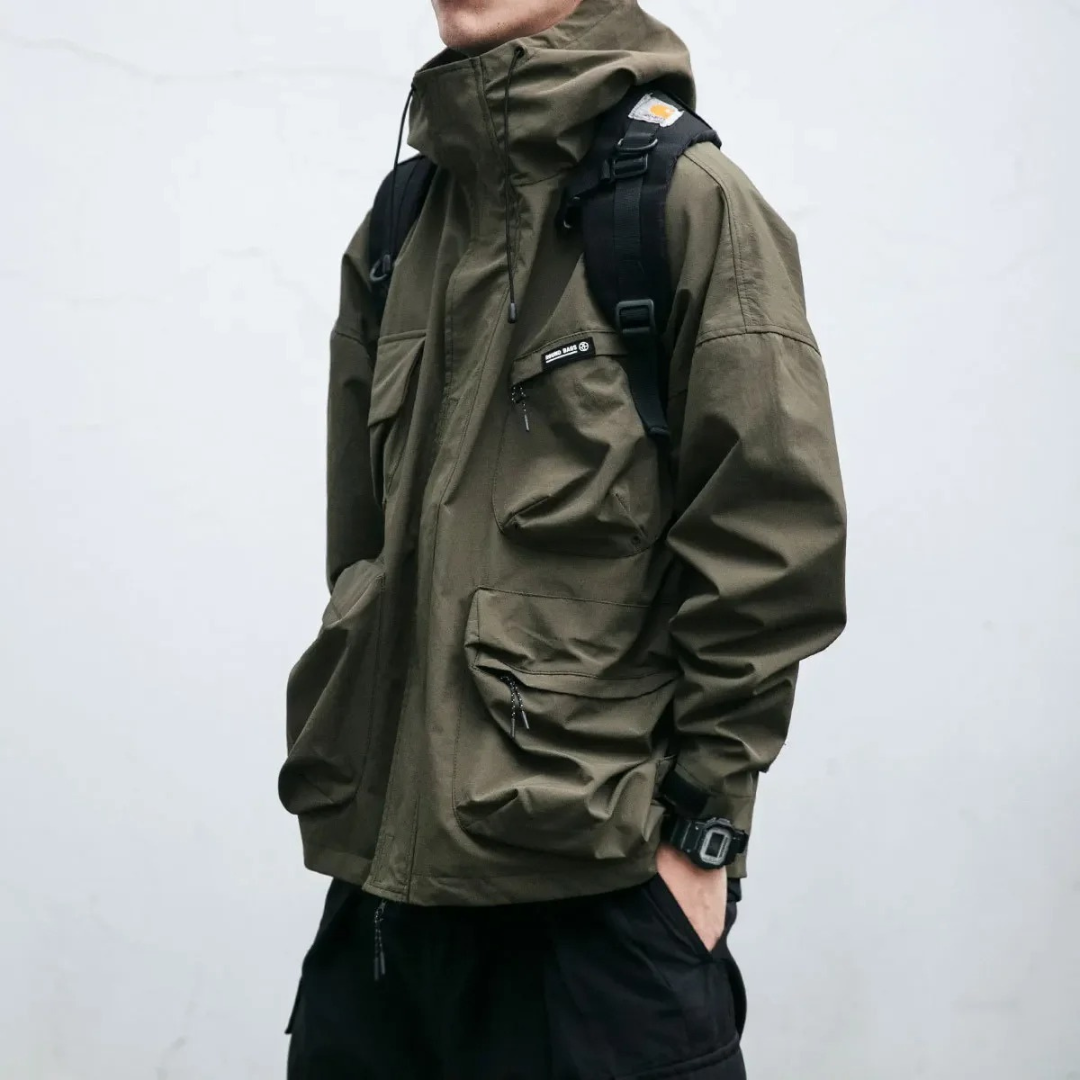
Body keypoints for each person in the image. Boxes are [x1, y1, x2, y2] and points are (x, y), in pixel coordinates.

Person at [281, 0, 847, 1075]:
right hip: (385, 915)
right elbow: (361, 546)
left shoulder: (684, 202)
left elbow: (774, 547)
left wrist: (703, 836)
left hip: (597, 907)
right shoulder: (403, 219)